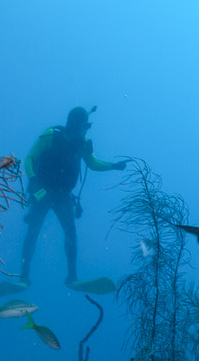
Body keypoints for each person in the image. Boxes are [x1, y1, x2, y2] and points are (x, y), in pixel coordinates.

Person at [18, 107, 127, 288]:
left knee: (70, 233)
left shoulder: (81, 143)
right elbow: (30, 158)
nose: (86, 130)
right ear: (77, 123)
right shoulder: (51, 135)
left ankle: (72, 277)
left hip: (64, 196)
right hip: (42, 192)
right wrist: (34, 181)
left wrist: (113, 166)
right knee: (33, 232)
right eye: (86, 125)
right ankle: (23, 277)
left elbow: (92, 163)